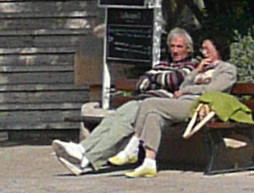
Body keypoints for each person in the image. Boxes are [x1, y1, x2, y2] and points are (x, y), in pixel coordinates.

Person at [56, 29, 232, 175]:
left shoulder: (203, 67)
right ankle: (83, 151)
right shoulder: (176, 65)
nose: (176, 50)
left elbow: (176, 82)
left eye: (180, 47)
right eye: (172, 46)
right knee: (114, 119)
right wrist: (178, 79)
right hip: (151, 100)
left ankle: (95, 157)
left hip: (169, 102)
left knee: (126, 123)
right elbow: (143, 82)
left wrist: (175, 84)